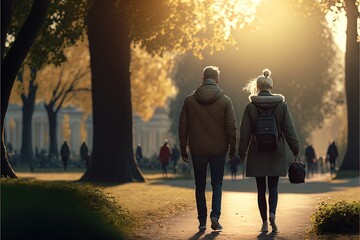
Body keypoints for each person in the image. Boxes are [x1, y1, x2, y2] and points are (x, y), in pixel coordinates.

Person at [238, 68, 300, 233]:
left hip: (257, 150)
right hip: (276, 150)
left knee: (260, 189)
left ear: (257, 87)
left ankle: (264, 222)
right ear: (271, 87)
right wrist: (296, 149)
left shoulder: (251, 107)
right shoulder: (282, 106)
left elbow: (244, 133)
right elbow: (289, 129)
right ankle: (273, 213)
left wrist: (241, 153)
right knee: (273, 187)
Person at [179, 66, 237, 232]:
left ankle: (202, 221)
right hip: (219, 150)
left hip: (197, 149)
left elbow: (183, 125)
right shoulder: (226, 101)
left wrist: (184, 148)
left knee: (200, 185)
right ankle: (215, 216)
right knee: (217, 183)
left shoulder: (189, 101)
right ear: (217, 79)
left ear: (202, 78)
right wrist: (232, 148)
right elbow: (231, 127)